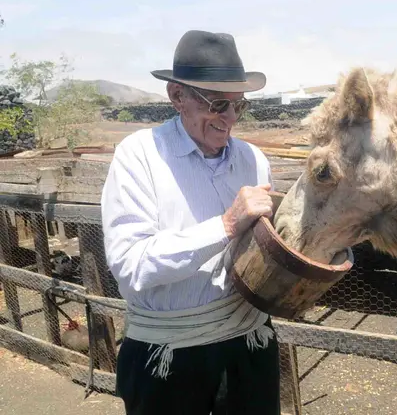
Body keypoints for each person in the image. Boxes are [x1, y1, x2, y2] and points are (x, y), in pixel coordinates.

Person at [100, 30, 280, 415]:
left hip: (250, 345)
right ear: (177, 97)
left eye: (239, 106)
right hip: (168, 355)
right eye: (218, 104)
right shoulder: (139, 157)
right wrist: (226, 225)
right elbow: (131, 267)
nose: (230, 119)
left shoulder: (254, 160)